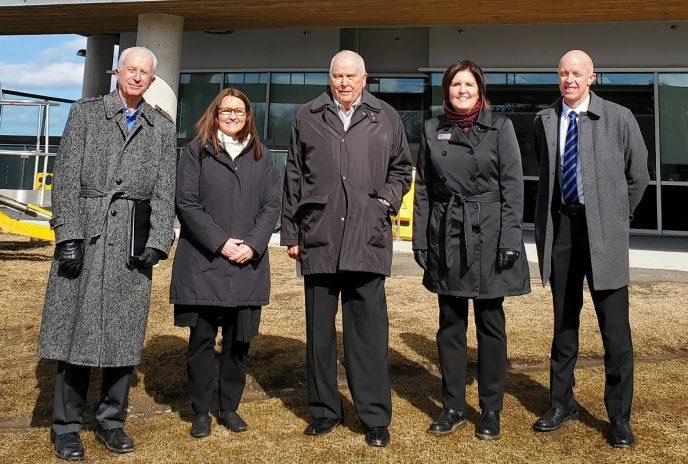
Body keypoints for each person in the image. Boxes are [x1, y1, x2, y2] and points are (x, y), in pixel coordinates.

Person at [38, 46, 176, 461]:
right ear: (118, 72)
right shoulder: (85, 114)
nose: (137, 77)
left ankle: (112, 423)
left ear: (151, 81)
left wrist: (157, 241)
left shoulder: (161, 126)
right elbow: (63, 180)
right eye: (131, 69)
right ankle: (66, 427)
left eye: (144, 73)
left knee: (122, 336)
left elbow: (166, 188)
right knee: (75, 336)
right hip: (86, 236)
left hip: (130, 245)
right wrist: (68, 235)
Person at [280, 50, 412, 447]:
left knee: (368, 334)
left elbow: (402, 169)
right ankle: (323, 410)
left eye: (351, 75)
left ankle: (374, 416)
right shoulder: (307, 115)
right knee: (319, 333)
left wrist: (385, 202)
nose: (344, 82)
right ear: (330, 77)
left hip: (366, 237)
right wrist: (290, 234)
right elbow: (293, 173)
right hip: (319, 235)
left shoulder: (386, 116)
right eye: (338, 75)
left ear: (365, 77)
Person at [532, 50, 649, 448]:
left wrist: (615, 217)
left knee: (615, 332)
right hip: (562, 229)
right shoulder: (545, 120)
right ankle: (561, 403)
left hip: (604, 233)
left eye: (577, 73)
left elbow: (639, 175)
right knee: (564, 325)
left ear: (592, 78)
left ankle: (619, 416)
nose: (570, 79)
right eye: (563, 73)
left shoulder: (618, 118)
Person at [412, 60, 530, 440]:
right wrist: (420, 240)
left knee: (491, 324)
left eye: (469, 84)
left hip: (492, 232)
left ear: (480, 90)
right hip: (446, 232)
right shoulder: (432, 130)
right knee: (450, 325)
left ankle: (491, 408)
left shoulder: (500, 127)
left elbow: (513, 187)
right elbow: (425, 189)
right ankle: (452, 407)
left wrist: (511, 239)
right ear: (446, 90)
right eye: (455, 85)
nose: (462, 90)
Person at [170, 87, 280, 438]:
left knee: (239, 342)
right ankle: (201, 411)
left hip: (247, 263)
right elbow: (186, 203)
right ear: (214, 115)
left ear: (248, 117)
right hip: (204, 264)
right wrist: (220, 243)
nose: (233, 116)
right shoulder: (195, 152)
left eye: (240, 111)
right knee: (201, 341)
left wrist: (252, 244)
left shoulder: (262, 158)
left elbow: (272, 206)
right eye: (226, 111)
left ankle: (229, 407)